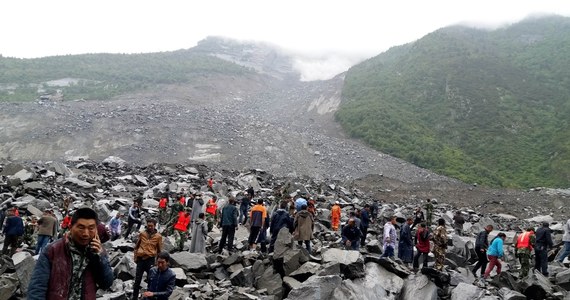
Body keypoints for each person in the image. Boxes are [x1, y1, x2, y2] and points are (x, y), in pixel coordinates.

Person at [27, 207, 114, 300]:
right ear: (71, 227)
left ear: (96, 230)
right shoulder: (52, 250)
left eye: (91, 228)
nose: (86, 233)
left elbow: (106, 284)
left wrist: (101, 257)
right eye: (81, 227)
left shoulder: (97, 251)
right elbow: (37, 288)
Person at [132, 219, 163, 300]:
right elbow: (136, 247)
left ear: (155, 226)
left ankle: (148, 297)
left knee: (151, 280)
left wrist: (157, 263)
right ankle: (134, 297)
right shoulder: (142, 234)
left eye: (151, 226)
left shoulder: (158, 236)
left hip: (150, 260)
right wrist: (135, 257)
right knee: (137, 280)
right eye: (148, 225)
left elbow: (159, 251)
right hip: (141, 259)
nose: (149, 227)